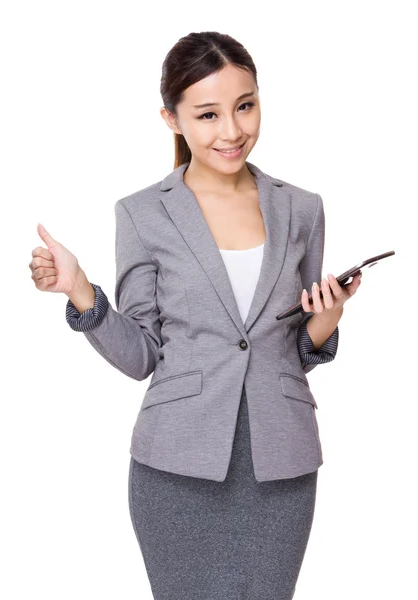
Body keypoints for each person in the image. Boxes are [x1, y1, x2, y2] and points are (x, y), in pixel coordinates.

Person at [29, 31, 362, 600]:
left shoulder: (302, 209)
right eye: (207, 114)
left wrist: (326, 321)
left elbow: (287, 349)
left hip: (281, 465)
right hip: (175, 468)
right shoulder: (142, 214)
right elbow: (142, 356)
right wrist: (81, 290)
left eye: (245, 106)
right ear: (171, 118)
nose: (232, 131)